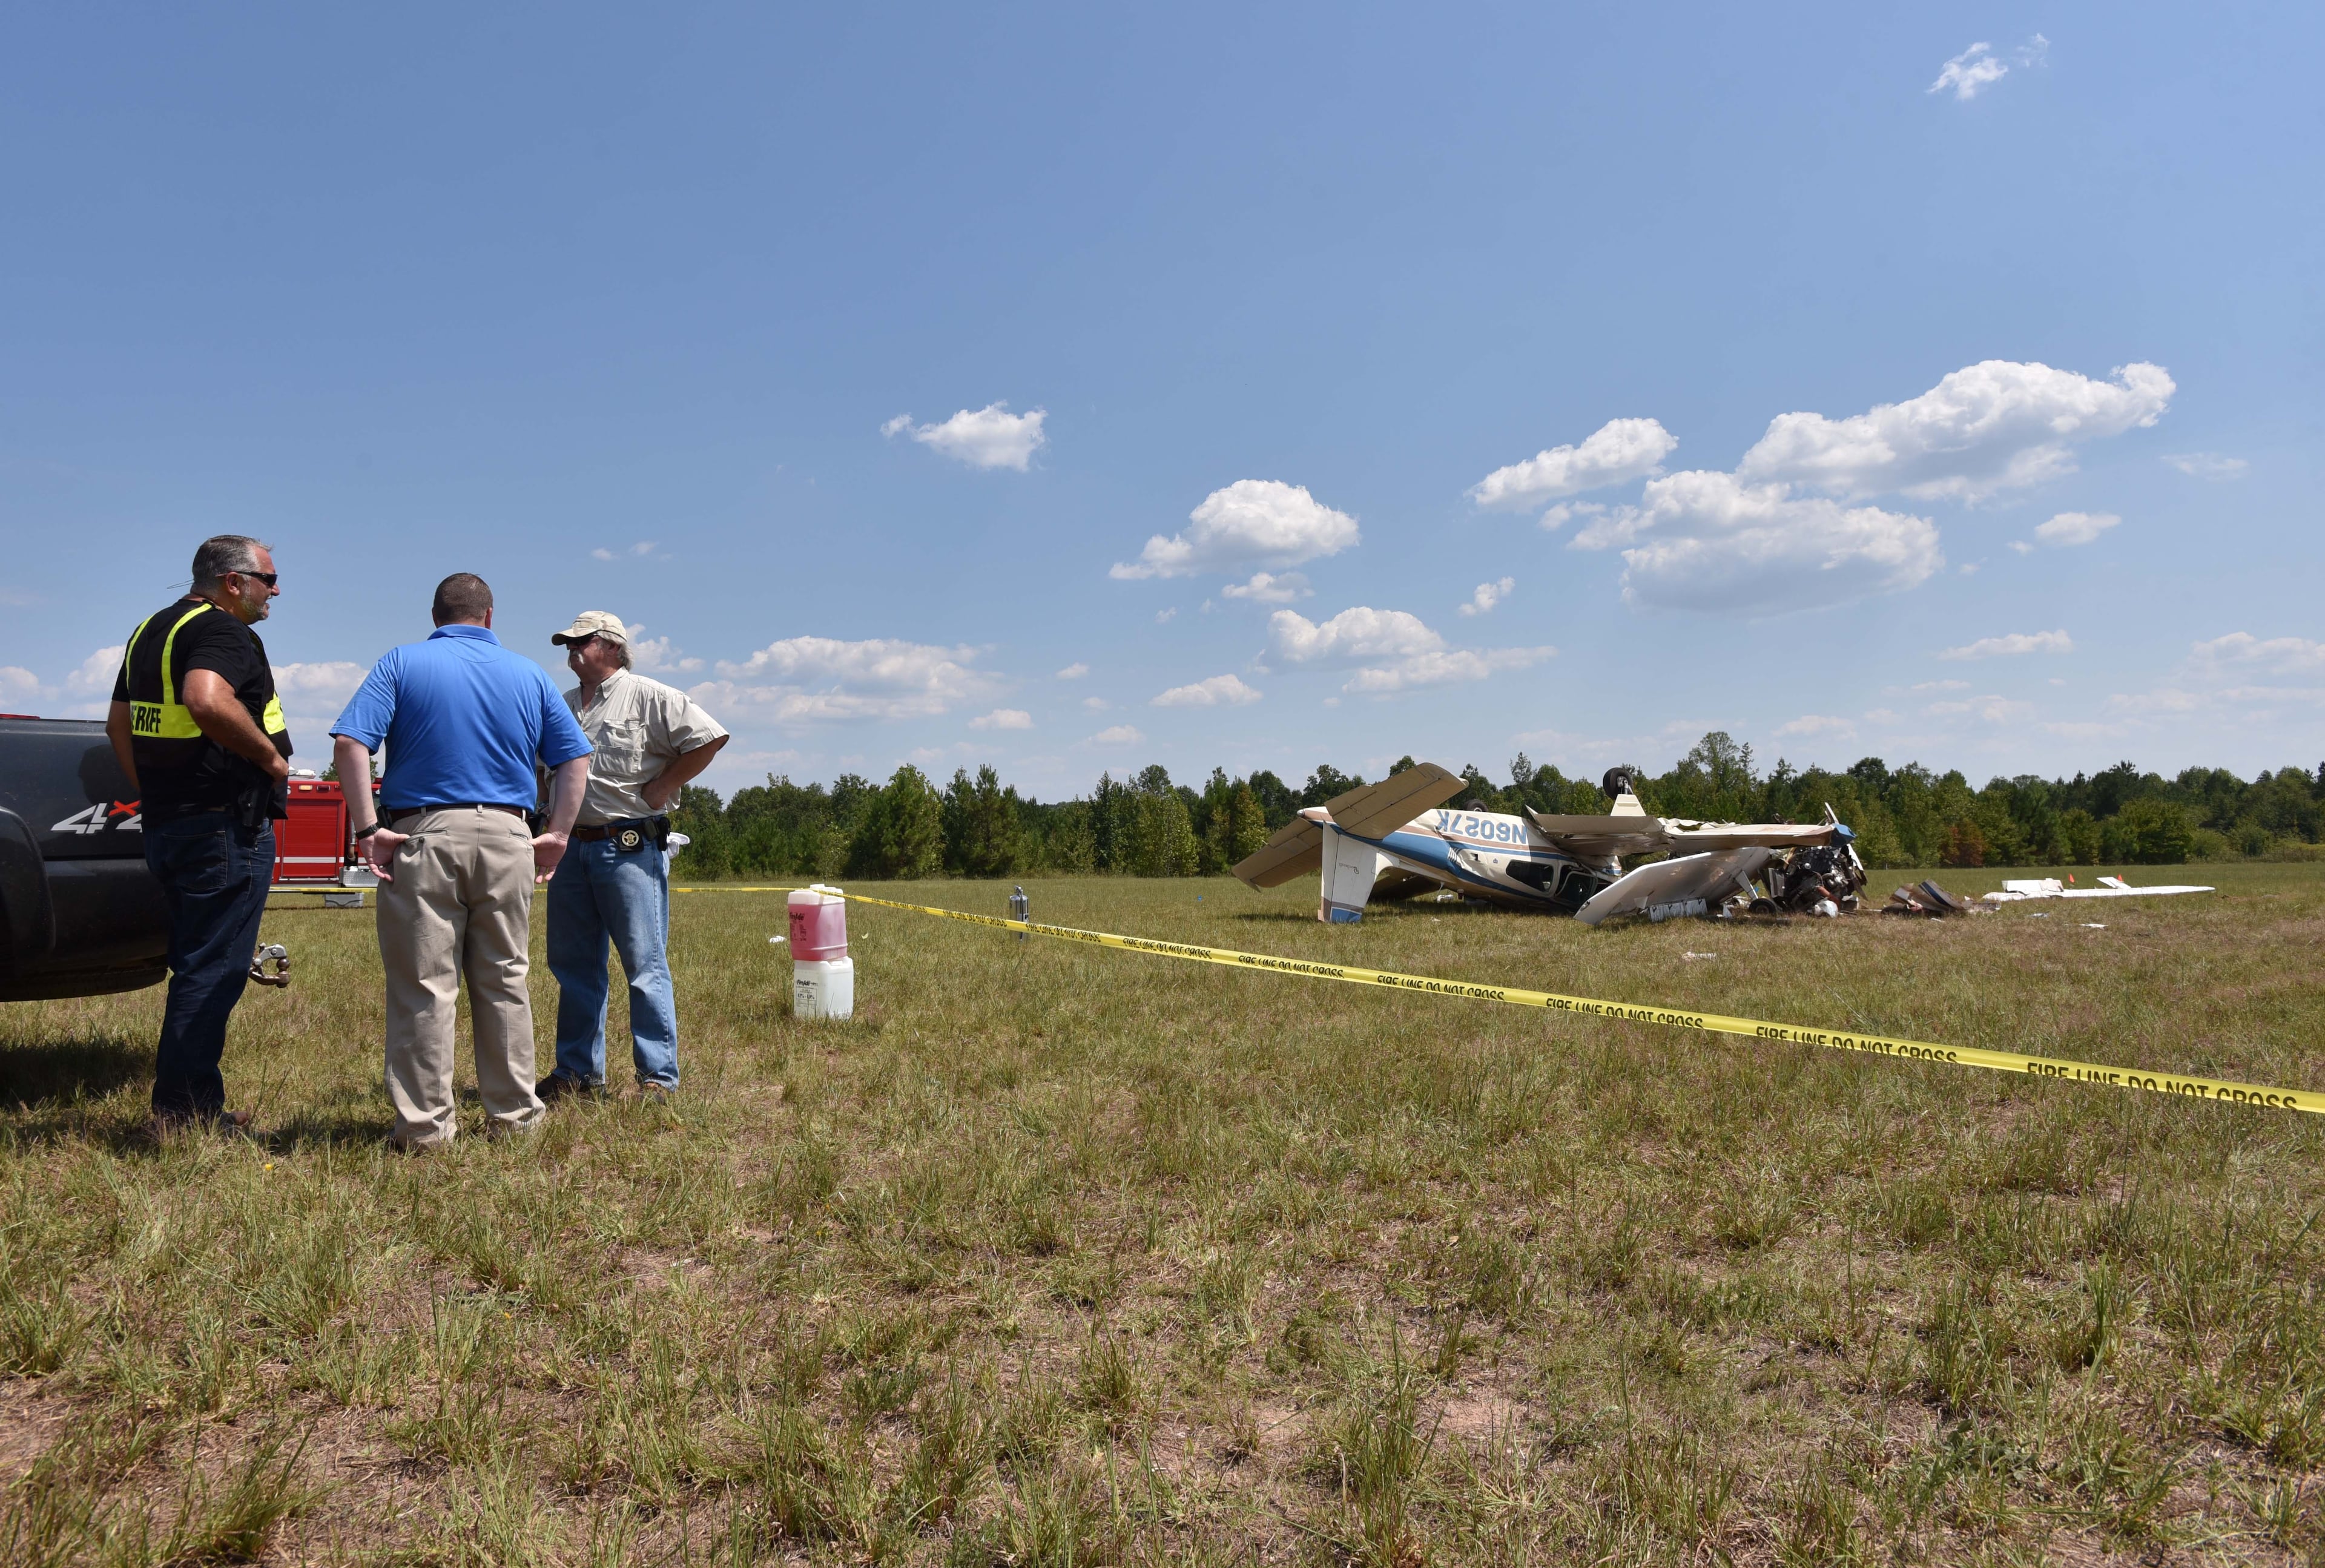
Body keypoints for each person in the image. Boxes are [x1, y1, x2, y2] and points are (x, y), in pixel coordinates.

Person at [329, 574, 592, 1150]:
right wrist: (558, 834)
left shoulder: (401, 663)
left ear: (435, 616)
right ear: (490, 617)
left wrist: (369, 827)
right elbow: (575, 759)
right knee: (505, 979)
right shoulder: (528, 673)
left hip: (424, 833)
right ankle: (516, 1119)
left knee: (425, 985)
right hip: (508, 834)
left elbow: (351, 743)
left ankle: (426, 1131)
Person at [105, 535, 292, 1132]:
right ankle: (183, 1114)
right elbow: (205, 698)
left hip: (171, 824)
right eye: (269, 577)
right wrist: (272, 761)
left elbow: (117, 726)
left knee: (197, 964)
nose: (276, 590)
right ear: (233, 581)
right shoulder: (224, 632)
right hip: (223, 827)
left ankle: (190, 1100)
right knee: (212, 970)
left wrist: (159, 795)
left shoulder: (150, 630)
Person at [539, 612, 728, 1099]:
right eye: (568, 643)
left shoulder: (648, 695)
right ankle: (578, 1074)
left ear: (614, 647)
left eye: (583, 641)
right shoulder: (562, 706)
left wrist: (663, 787)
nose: (572, 650)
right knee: (575, 967)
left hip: (628, 848)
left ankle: (657, 1078)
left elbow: (710, 737)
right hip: (570, 850)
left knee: (644, 965)